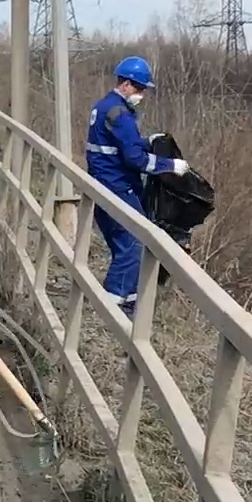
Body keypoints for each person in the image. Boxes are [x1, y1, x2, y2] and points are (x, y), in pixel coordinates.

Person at [85, 55, 190, 313]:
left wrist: (147, 140)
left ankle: (129, 302)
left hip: (103, 185)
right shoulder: (119, 114)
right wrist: (170, 166)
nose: (142, 94)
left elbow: (121, 145)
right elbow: (135, 159)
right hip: (118, 187)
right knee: (132, 246)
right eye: (141, 88)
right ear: (127, 84)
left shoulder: (104, 106)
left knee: (125, 247)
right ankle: (113, 307)